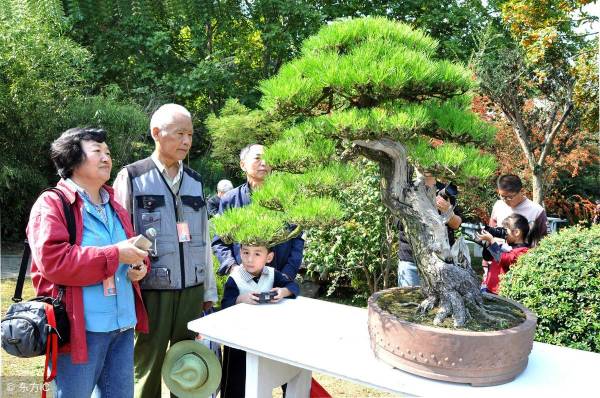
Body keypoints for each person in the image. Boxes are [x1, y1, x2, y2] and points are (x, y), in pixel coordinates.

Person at [27, 127, 149, 397]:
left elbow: (130, 248)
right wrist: (115, 254)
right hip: (79, 329)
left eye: (108, 152)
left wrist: (139, 267)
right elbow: (55, 261)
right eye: (97, 151)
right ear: (72, 159)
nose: (107, 157)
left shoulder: (115, 205)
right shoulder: (52, 204)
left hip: (122, 325)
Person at [113, 104, 218, 398]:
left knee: (188, 369)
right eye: (180, 133)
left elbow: (205, 240)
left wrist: (208, 291)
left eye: (190, 134)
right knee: (146, 367)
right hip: (151, 291)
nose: (187, 141)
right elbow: (120, 236)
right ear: (156, 133)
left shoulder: (195, 181)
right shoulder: (133, 177)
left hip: (192, 291)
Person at [212, 144, 305, 279]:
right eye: (258, 158)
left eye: (268, 159)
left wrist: (287, 274)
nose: (264, 163)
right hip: (243, 279)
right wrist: (233, 268)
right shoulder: (230, 199)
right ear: (243, 165)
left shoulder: (287, 197)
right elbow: (219, 241)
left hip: (280, 277)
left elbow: (297, 239)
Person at [220, 244, 300, 398]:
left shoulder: (273, 274)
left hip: (264, 338)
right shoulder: (234, 279)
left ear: (268, 257)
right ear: (240, 253)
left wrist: (283, 291)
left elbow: (293, 286)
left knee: (263, 379)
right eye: (245, 253)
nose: (250, 259)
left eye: (257, 254)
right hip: (238, 341)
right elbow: (225, 305)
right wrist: (239, 299)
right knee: (236, 381)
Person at [397, 171, 462, 287]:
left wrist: (448, 212)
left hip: (442, 262)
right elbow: (400, 224)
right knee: (410, 303)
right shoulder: (406, 189)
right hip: (411, 261)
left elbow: (457, 224)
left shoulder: (445, 191)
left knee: (441, 303)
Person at [477, 213, 531, 294]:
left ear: (516, 232)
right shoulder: (504, 246)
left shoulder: (523, 251)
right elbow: (487, 257)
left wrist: (492, 241)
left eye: (506, 230)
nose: (503, 233)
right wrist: (488, 243)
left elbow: (503, 259)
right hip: (489, 288)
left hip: (501, 294)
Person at [489, 174, 548, 243]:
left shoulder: (536, 210)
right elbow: (491, 230)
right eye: (502, 196)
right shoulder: (498, 205)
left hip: (525, 253)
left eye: (510, 197)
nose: (505, 200)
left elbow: (545, 239)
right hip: (499, 252)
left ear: (521, 191)